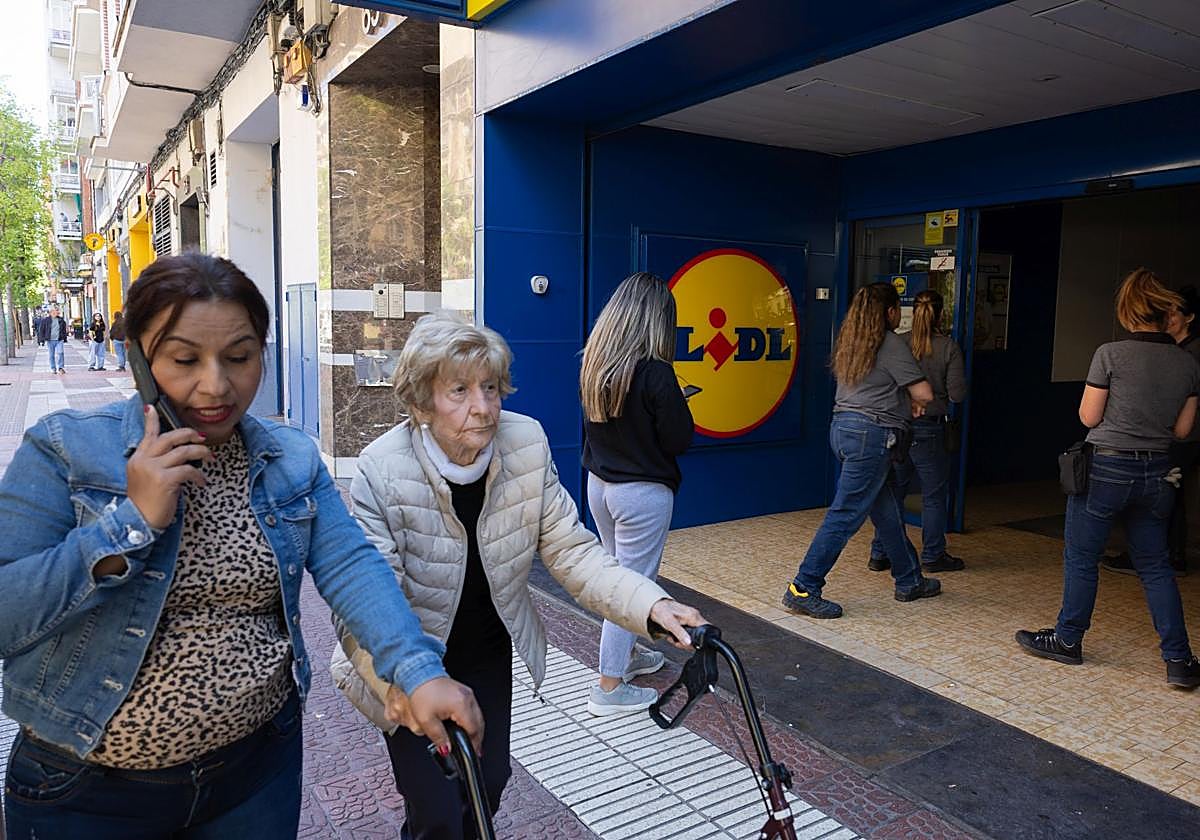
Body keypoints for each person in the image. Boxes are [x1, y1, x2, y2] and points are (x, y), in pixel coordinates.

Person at [0, 254, 484, 839]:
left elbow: (353, 568)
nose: (217, 385)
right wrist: (129, 523)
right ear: (139, 361)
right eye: (184, 360)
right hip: (89, 791)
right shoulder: (66, 449)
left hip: (255, 771)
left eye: (239, 357)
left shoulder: (288, 458)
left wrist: (415, 669)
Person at [330, 310, 707, 840]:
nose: (482, 408)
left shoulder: (524, 443)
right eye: (458, 390)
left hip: (487, 646)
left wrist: (649, 605)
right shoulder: (380, 469)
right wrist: (405, 679)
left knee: (489, 783)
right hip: (408, 656)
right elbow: (366, 596)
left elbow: (573, 551)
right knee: (436, 807)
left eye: (489, 387)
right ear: (420, 402)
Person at [1016, 268, 1200, 689]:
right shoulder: (1187, 363)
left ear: (1128, 311)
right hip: (1157, 473)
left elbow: (1088, 416)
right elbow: (1183, 432)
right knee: (1155, 566)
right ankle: (1179, 660)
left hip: (1107, 469)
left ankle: (1067, 640)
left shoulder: (1110, 354)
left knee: (1082, 558)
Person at [781, 282, 940, 619]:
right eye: (897, 308)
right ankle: (804, 586)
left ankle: (909, 579)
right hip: (871, 437)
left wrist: (901, 399)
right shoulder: (891, 343)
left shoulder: (851, 343)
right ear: (889, 312)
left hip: (844, 430)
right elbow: (924, 393)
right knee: (845, 514)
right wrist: (911, 399)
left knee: (884, 510)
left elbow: (872, 388)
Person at [580, 272, 694, 715]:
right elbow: (677, 439)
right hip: (642, 495)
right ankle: (609, 687)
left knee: (618, 579)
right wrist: (678, 402)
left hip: (601, 488)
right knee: (630, 587)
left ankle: (626, 658)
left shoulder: (595, 363)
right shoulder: (657, 374)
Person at [1103, 285, 1200, 577]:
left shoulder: (1190, 355)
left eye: (1175, 313)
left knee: (1168, 495)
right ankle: (1163, 555)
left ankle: (1166, 556)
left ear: (1190, 317)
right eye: (1166, 312)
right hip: (1167, 435)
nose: (1169, 318)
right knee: (1167, 494)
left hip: (1180, 437)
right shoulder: (1174, 351)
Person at [868, 289, 967, 574]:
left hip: (898, 427)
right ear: (941, 314)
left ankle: (880, 552)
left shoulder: (897, 343)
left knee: (892, 493)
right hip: (930, 430)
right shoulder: (948, 347)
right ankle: (933, 555)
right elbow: (958, 394)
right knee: (934, 496)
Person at [36, 305, 68, 374]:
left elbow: (64, 330)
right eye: (54, 311)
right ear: (50, 312)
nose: (56, 313)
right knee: (51, 355)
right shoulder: (45, 320)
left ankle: (60, 367)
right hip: (50, 340)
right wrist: (41, 340)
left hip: (59, 340)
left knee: (60, 353)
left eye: (56, 311)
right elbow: (41, 330)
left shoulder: (61, 320)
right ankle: (53, 368)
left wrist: (64, 338)